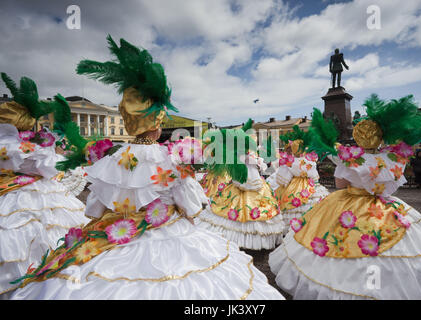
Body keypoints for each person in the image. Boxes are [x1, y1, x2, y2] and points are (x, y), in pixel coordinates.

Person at [10, 36, 285, 300]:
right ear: (157, 125)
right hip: (169, 232)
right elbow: (190, 205)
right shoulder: (170, 158)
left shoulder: (112, 159)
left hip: (119, 233)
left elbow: (94, 208)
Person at [269, 94, 421, 299]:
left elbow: (340, 184)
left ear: (357, 136)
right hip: (381, 206)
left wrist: (356, 180)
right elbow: (390, 187)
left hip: (348, 203)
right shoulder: (391, 158)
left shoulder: (348, 159)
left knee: (332, 238)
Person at [0, 74, 89, 298]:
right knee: (44, 236)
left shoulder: (8, 143)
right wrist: (56, 153)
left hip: (7, 190)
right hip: (29, 193)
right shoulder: (23, 146)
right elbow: (49, 168)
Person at [196, 120, 285, 250]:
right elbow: (248, 176)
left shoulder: (247, 158)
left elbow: (251, 175)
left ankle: (244, 241)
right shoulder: (243, 158)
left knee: (240, 212)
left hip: (249, 187)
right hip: (248, 187)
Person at [266, 126, 329, 234]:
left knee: (291, 202)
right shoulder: (308, 160)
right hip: (307, 185)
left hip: (295, 185)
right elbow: (313, 175)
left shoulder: (292, 162)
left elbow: (283, 179)